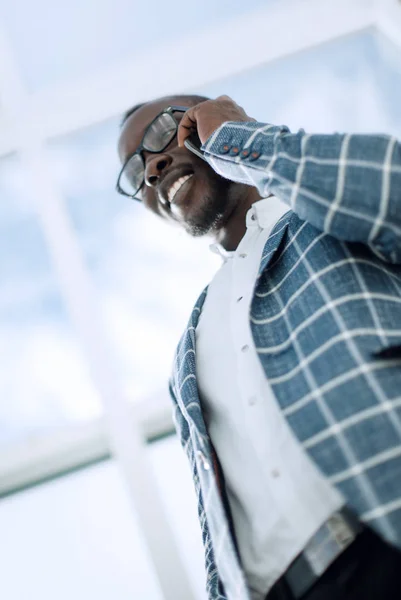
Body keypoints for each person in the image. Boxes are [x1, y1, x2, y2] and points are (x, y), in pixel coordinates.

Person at [117, 94, 401, 600]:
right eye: (135, 172)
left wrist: (242, 140)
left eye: (163, 133)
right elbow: (217, 522)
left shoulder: (320, 215)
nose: (153, 166)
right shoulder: (190, 344)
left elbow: (390, 188)